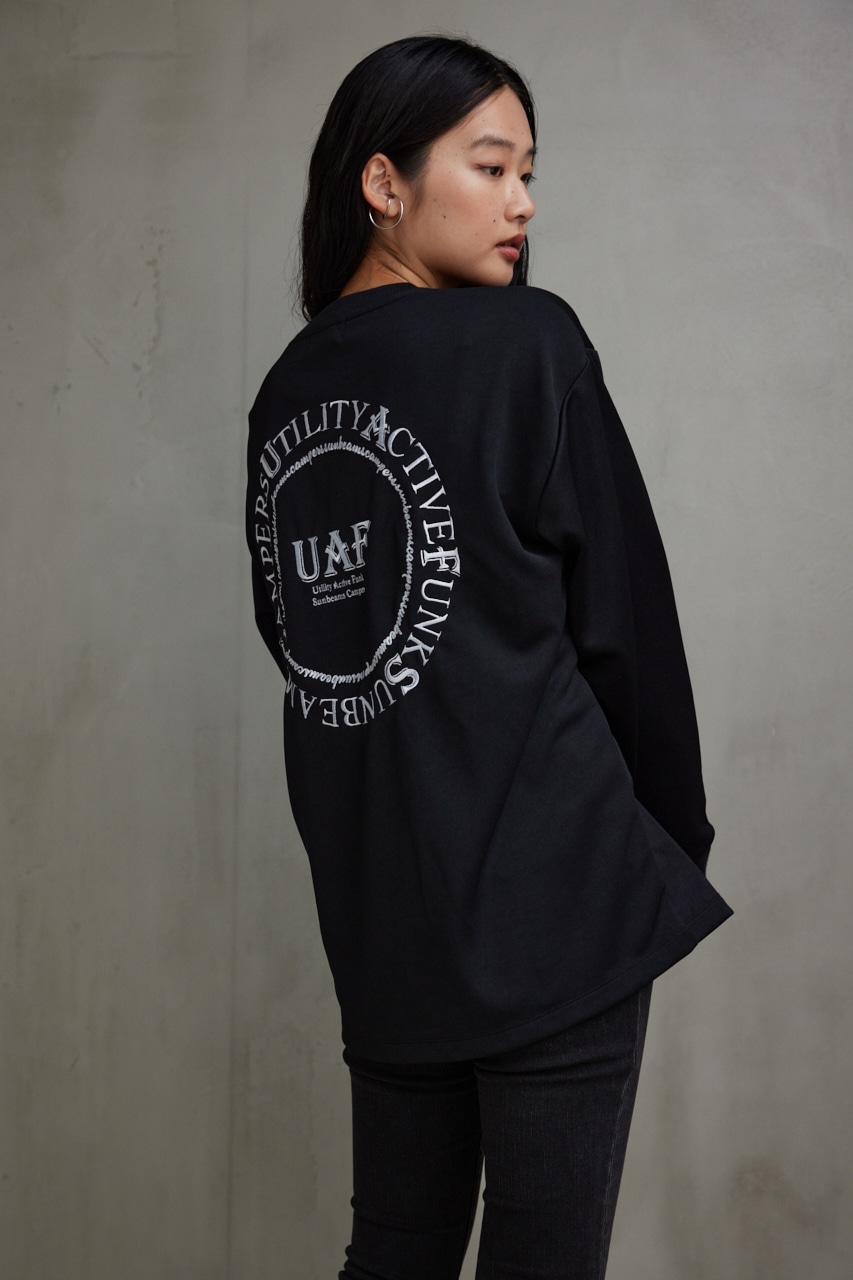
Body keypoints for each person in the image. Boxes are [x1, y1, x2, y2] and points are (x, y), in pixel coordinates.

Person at [245, 33, 732, 1280]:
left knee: (393, 1256)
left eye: (528, 175)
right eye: (491, 165)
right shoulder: (528, 343)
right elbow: (625, 626)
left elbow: (306, 648)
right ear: (383, 182)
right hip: (554, 904)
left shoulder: (287, 394)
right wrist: (664, 845)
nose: (521, 203)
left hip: (385, 916)